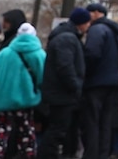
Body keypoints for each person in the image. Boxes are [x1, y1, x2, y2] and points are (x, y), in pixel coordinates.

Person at [0, 23, 45, 159]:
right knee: (26, 133)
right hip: (25, 101)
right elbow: (43, 77)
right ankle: (28, 155)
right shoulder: (39, 54)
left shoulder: (5, 52)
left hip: (0, 101)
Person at [37, 10, 88, 159]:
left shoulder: (63, 36)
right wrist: (75, 86)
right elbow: (65, 66)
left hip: (60, 93)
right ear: (82, 23)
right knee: (57, 131)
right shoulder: (67, 39)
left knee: (60, 130)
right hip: (62, 95)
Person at [80, 5, 118, 159]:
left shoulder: (97, 30)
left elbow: (92, 54)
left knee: (92, 122)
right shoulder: (115, 32)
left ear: (97, 13)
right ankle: (103, 153)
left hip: (96, 82)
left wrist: (85, 74)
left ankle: (91, 154)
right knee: (106, 122)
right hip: (112, 81)